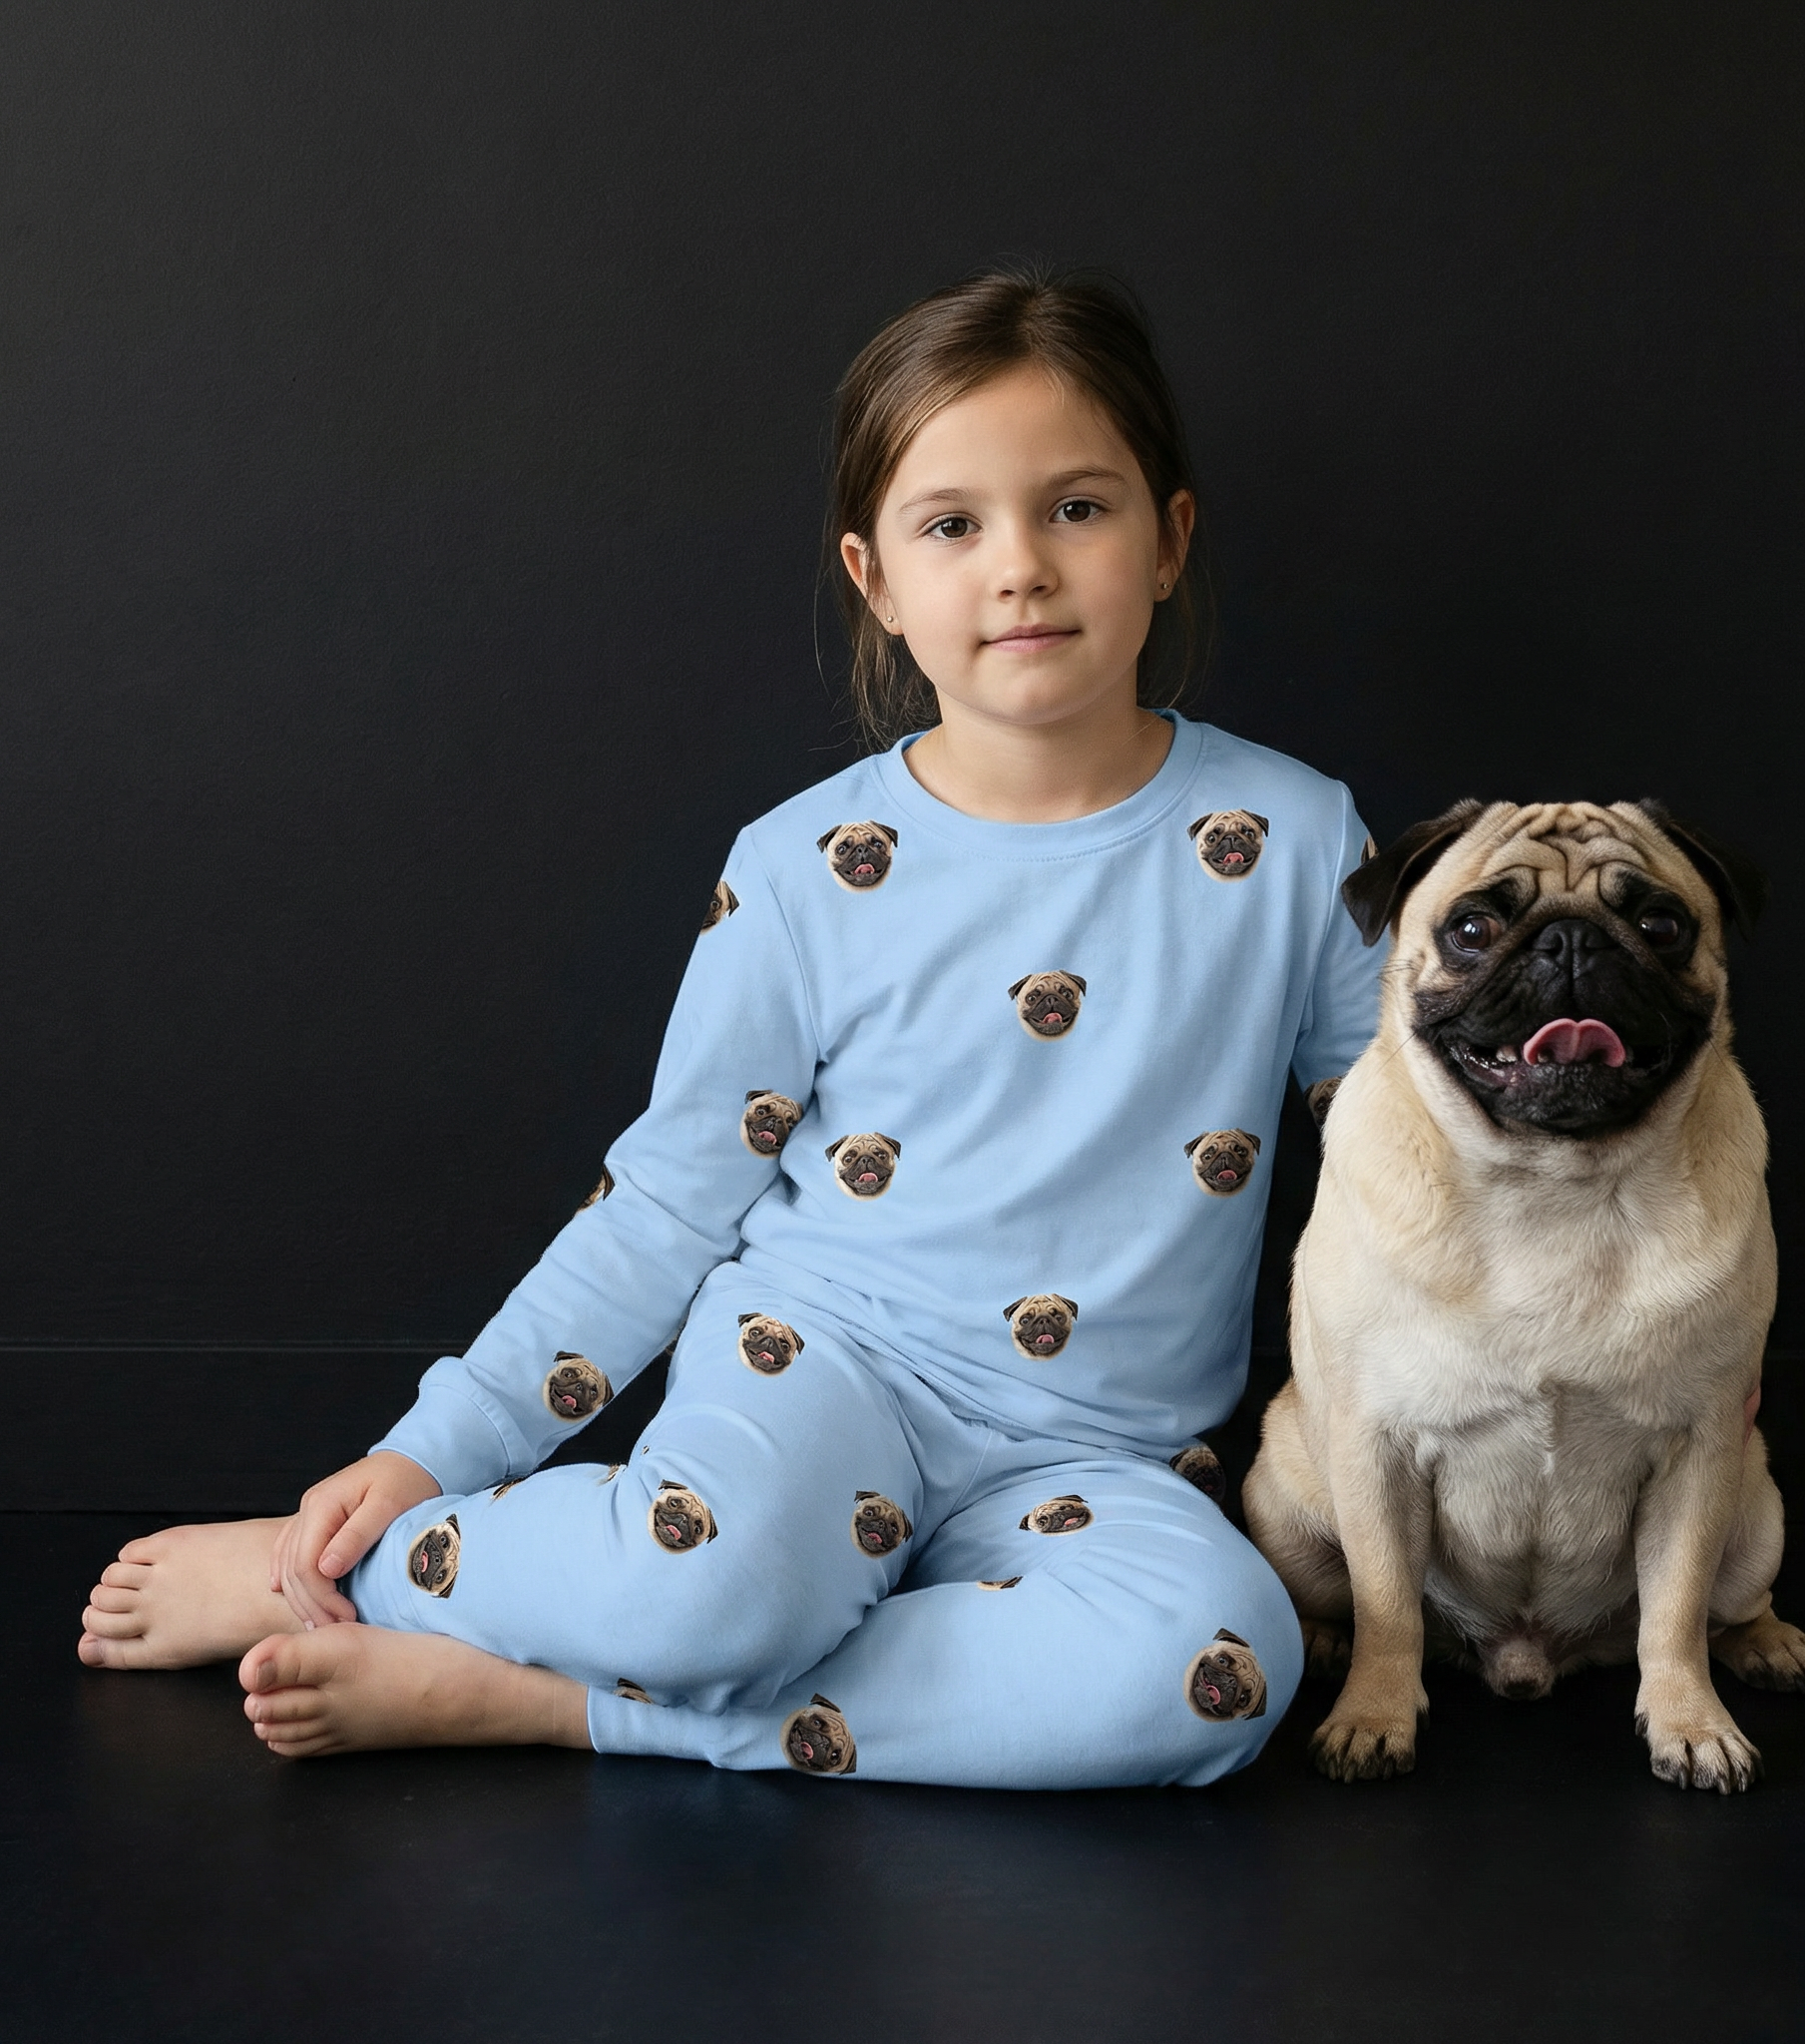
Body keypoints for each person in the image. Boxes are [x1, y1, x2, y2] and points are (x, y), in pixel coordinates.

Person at [77, 267, 1383, 1788]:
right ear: (875, 579)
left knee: (1221, 1674)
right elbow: (668, 1200)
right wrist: (430, 1456)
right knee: (709, 1591)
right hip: (824, 1375)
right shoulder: (809, 867)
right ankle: (351, 1574)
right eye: (952, 526)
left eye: (1076, 509)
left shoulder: (1299, 841)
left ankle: (544, 1700)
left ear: (1168, 539)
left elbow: (1409, 1160)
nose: (1020, 567)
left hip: (1100, 1454)